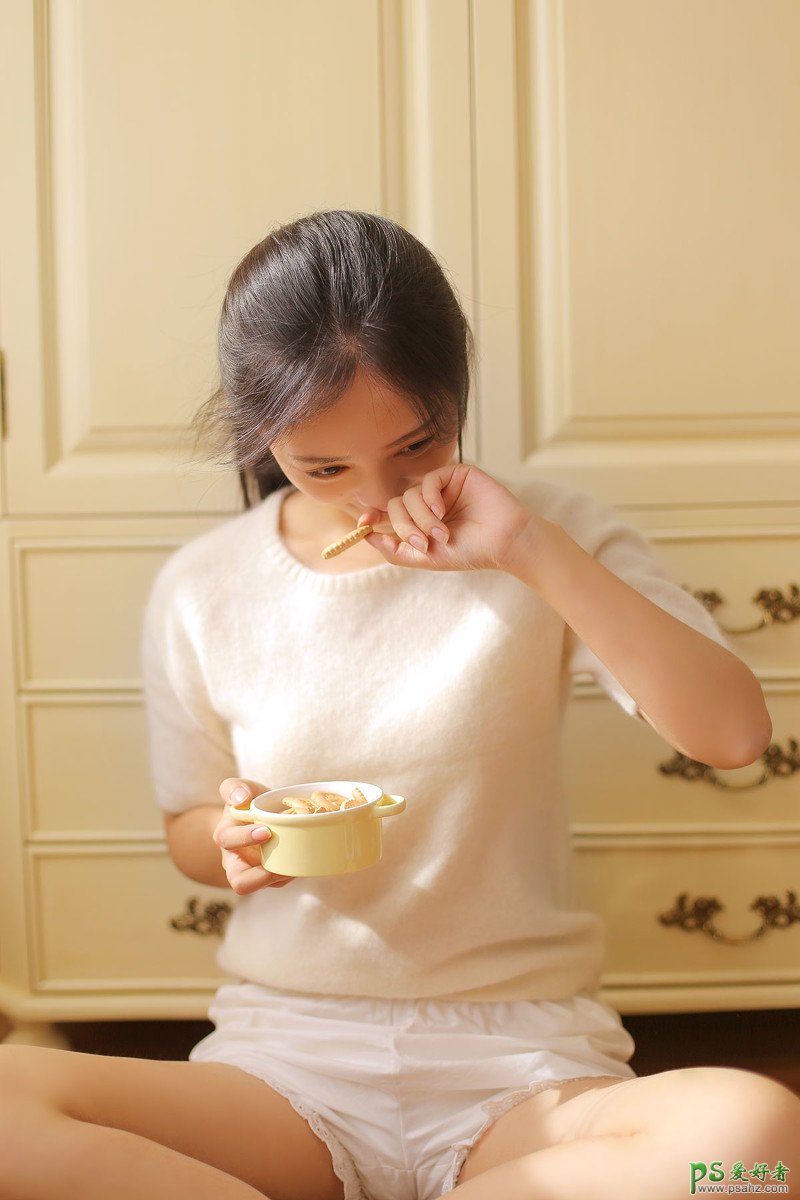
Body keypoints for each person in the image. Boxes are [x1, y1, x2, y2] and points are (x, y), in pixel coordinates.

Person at [0, 210, 797, 1200]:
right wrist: (236, 837)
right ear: (263, 440)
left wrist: (528, 552)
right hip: (288, 1066)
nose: (377, 498)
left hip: (519, 1068)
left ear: (455, 394)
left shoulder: (550, 534)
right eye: (324, 467)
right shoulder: (203, 586)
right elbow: (189, 833)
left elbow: (733, 735)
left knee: (757, 1139)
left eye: (416, 445)